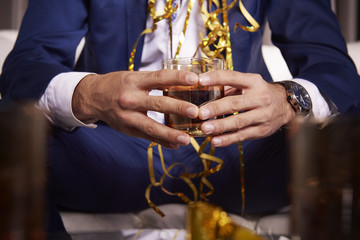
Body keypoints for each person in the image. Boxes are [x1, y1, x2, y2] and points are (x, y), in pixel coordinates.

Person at [1, 0, 359, 238]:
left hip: (247, 156)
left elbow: (335, 72)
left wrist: (286, 100)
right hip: (111, 154)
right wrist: (89, 93)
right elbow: (25, 64)